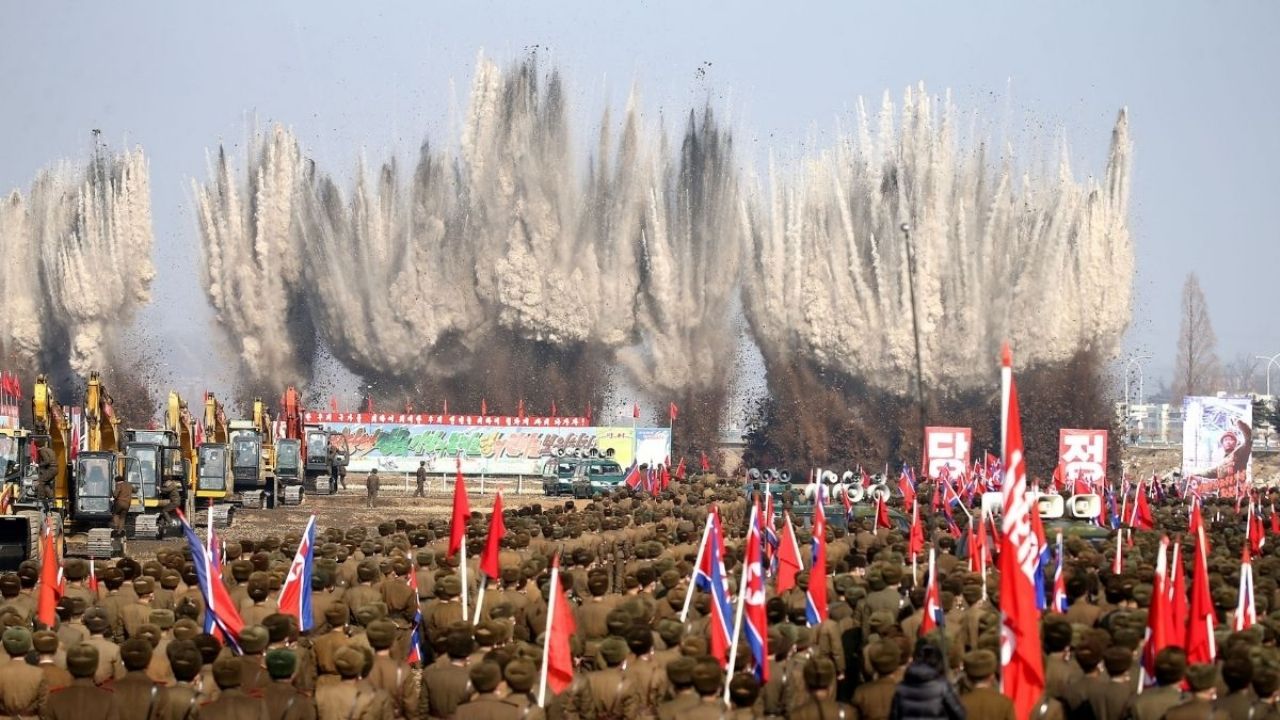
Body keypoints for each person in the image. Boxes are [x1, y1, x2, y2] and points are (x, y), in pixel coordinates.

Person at [888, 641, 965, 720]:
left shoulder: (901, 688)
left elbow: (894, 717)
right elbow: (960, 715)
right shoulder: (942, 687)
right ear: (938, 663)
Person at [35, 438, 57, 510]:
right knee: (46, 483)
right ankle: (51, 498)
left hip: (51, 469)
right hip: (55, 469)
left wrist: (39, 465)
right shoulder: (49, 450)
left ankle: (41, 498)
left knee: (40, 482)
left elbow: (47, 461)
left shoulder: (42, 450)